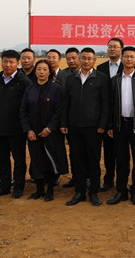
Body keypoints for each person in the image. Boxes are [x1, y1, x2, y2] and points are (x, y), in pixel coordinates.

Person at [59, 47, 110, 206]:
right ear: (79, 59)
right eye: (84, 58)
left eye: (89, 58)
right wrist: (64, 123)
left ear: (94, 60)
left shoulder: (101, 78)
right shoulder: (71, 78)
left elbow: (106, 104)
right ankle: (80, 191)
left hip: (94, 127)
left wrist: (102, 124)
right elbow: (65, 103)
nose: (86, 61)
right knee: (77, 159)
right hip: (74, 127)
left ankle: (93, 191)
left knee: (93, 159)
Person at [107, 46, 135, 206]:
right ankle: (121, 190)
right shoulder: (115, 80)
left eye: (132, 56)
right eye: (126, 56)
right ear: (122, 58)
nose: (129, 59)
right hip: (119, 125)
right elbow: (111, 105)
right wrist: (110, 125)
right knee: (121, 159)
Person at [20, 60, 68, 201]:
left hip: (50, 133)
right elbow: (23, 111)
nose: (41, 72)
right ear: (35, 72)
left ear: (50, 72)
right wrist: (28, 130)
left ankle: (50, 190)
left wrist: (49, 128)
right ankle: (39, 190)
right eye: (39, 69)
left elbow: (59, 111)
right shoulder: (29, 89)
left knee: (50, 161)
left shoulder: (56, 89)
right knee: (36, 160)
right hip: (34, 133)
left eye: (45, 69)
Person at [0, 50, 33, 199]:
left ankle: (18, 187)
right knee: (2, 160)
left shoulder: (24, 81)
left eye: (11, 62)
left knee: (19, 160)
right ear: (1, 61)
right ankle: (4, 186)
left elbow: (29, 105)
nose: (8, 65)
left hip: (17, 129)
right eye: (5, 61)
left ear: (17, 63)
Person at [96, 38, 124, 192]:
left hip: (123, 114)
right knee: (108, 151)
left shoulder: (127, 66)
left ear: (121, 49)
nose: (112, 49)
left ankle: (122, 180)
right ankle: (108, 179)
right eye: (110, 46)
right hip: (106, 115)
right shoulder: (100, 68)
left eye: (115, 47)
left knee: (122, 152)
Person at [59, 47, 81, 189]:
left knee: (86, 152)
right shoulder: (62, 75)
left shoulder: (87, 73)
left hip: (86, 119)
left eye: (74, 58)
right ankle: (76, 176)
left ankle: (87, 177)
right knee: (73, 151)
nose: (71, 61)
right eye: (68, 59)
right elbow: (62, 100)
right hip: (69, 118)